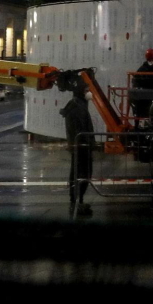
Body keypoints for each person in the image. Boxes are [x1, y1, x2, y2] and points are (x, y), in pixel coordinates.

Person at [60, 87, 95, 218]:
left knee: (79, 173)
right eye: (86, 90)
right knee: (81, 173)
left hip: (80, 146)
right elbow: (81, 129)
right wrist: (87, 144)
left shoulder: (78, 104)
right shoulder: (77, 107)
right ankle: (77, 202)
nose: (88, 92)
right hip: (81, 146)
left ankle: (78, 200)